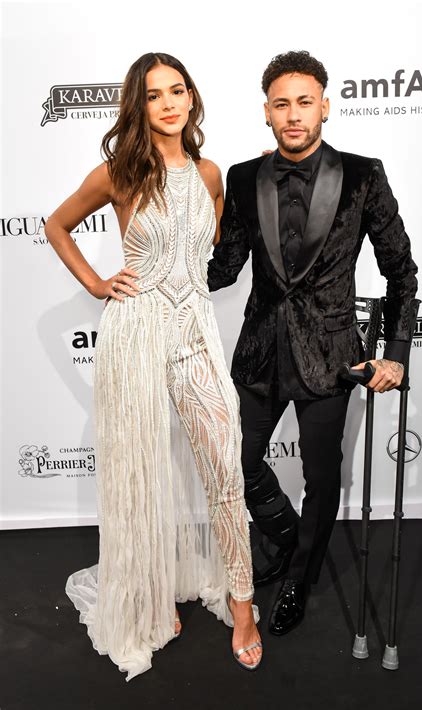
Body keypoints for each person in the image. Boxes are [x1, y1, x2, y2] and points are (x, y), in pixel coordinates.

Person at [45, 52, 262, 680]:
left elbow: (206, 257)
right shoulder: (117, 172)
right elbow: (57, 224)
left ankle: (242, 607)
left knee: (223, 462)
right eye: (152, 95)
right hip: (133, 333)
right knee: (142, 474)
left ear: (191, 97)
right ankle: (148, 598)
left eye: (177, 90)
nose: (168, 103)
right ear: (137, 107)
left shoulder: (210, 173)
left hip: (194, 333)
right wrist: (94, 283)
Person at [207, 50, 418, 636]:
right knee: (236, 462)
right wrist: (158, 272)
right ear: (266, 114)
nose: (293, 114)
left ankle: (300, 574)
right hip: (258, 352)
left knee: (323, 477)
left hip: (331, 355)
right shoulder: (243, 177)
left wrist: (395, 355)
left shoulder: (364, 173)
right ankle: (288, 535)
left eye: (305, 102)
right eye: (282, 104)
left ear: (325, 105)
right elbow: (224, 267)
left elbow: (401, 271)